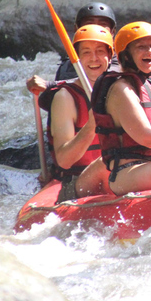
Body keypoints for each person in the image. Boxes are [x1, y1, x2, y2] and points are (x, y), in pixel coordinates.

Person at [91, 21, 151, 195]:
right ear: (126, 55)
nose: (150, 51)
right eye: (141, 47)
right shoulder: (121, 89)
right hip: (129, 172)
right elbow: (148, 138)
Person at [41, 24, 114, 202]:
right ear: (78, 59)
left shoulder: (120, 89)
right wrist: (90, 127)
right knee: (108, 163)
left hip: (118, 177)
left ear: (110, 57)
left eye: (99, 51)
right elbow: (64, 160)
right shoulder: (65, 98)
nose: (94, 58)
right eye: (86, 52)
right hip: (77, 183)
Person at [27, 1, 118, 94]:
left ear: (113, 32)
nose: (95, 29)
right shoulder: (66, 66)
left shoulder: (122, 61)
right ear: (76, 29)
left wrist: (50, 85)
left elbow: (105, 81)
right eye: (89, 24)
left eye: (102, 25)